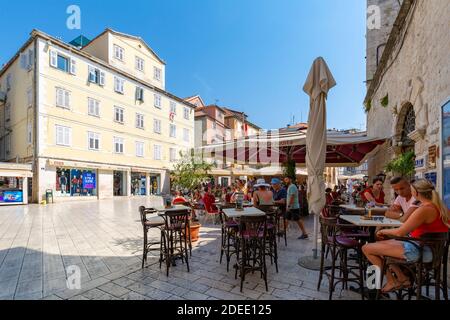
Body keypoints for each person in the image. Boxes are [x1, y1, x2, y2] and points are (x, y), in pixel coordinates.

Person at [362, 179, 450, 293]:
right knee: (378, 247)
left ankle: (387, 282)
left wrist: (383, 231)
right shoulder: (440, 207)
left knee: (367, 248)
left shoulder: (424, 209)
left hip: (421, 250)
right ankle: (402, 278)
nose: (399, 192)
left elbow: (400, 232)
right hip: (432, 250)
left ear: (415, 192)